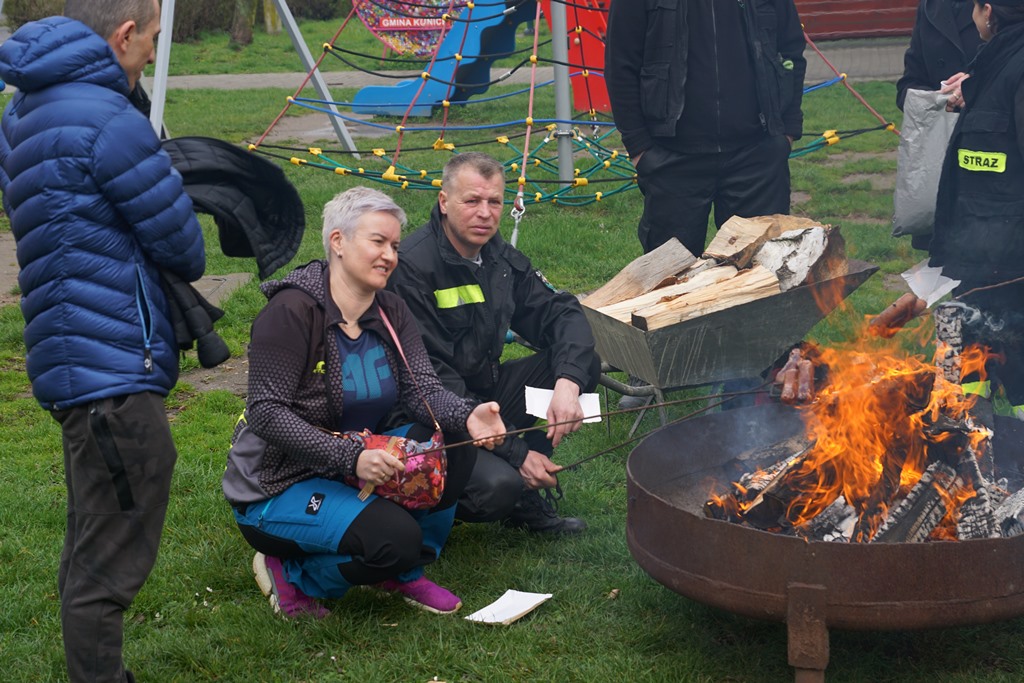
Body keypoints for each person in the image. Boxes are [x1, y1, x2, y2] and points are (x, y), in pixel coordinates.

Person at [0, 2, 206, 681]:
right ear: (122, 35)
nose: (149, 53)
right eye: (149, 39)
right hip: (113, 362)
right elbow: (183, 244)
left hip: (70, 357)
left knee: (94, 529)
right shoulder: (110, 120)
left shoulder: (23, 112)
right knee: (110, 547)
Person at [223, 186, 506, 618]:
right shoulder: (292, 312)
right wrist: (350, 457)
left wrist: (468, 414)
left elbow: (422, 391)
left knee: (451, 437)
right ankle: (294, 575)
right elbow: (266, 412)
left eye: (394, 245)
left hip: (352, 461)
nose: (390, 255)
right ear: (338, 241)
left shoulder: (390, 308)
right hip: (280, 481)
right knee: (393, 541)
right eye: (377, 241)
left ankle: (405, 571)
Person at [385, 152, 601, 534]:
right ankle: (427, 502)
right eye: (472, 201)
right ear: (444, 202)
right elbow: (432, 378)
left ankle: (519, 463)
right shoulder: (413, 268)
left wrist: (568, 384)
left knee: (579, 365)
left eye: (494, 202)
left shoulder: (498, 256)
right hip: (429, 415)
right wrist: (518, 455)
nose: (485, 213)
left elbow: (561, 312)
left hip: (486, 393)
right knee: (498, 487)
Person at [604, 0, 806, 259]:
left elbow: (790, 48)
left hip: (757, 155)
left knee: (760, 273)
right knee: (671, 282)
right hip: (672, 157)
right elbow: (621, 61)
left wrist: (787, 130)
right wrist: (639, 147)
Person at [928, 0, 1024, 418]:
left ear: (988, 11)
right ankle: (963, 439)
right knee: (960, 360)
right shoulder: (997, 62)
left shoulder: (1016, 65)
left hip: (1005, 257)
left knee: (1014, 351)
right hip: (975, 249)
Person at [897, 0, 984, 112]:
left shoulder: (1003, 7)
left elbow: (1010, 68)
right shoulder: (929, 6)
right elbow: (909, 85)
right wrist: (935, 99)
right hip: (941, 124)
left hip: (988, 121)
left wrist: (973, 85)